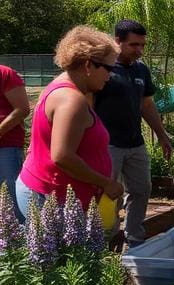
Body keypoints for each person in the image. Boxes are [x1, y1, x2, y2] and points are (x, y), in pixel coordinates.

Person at [16, 26, 124, 218]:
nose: (110, 75)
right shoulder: (71, 100)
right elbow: (63, 156)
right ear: (89, 65)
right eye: (109, 68)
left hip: (54, 196)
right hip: (52, 200)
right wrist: (106, 183)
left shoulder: (62, 87)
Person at [93, 20, 173, 247]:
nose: (139, 50)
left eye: (142, 45)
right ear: (117, 41)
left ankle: (134, 239)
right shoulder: (103, 69)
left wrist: (162, 135)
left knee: (141, 190)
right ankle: (105, 241)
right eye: (133, 45)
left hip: (135, 143)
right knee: (110, 195)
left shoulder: (141, 69)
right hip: (107, 145)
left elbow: (147, 104)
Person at [0, 64, 30, 221]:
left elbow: (22, 109)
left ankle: (20, 242)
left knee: (11, 195)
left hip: (6, 147)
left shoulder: (5, 73)